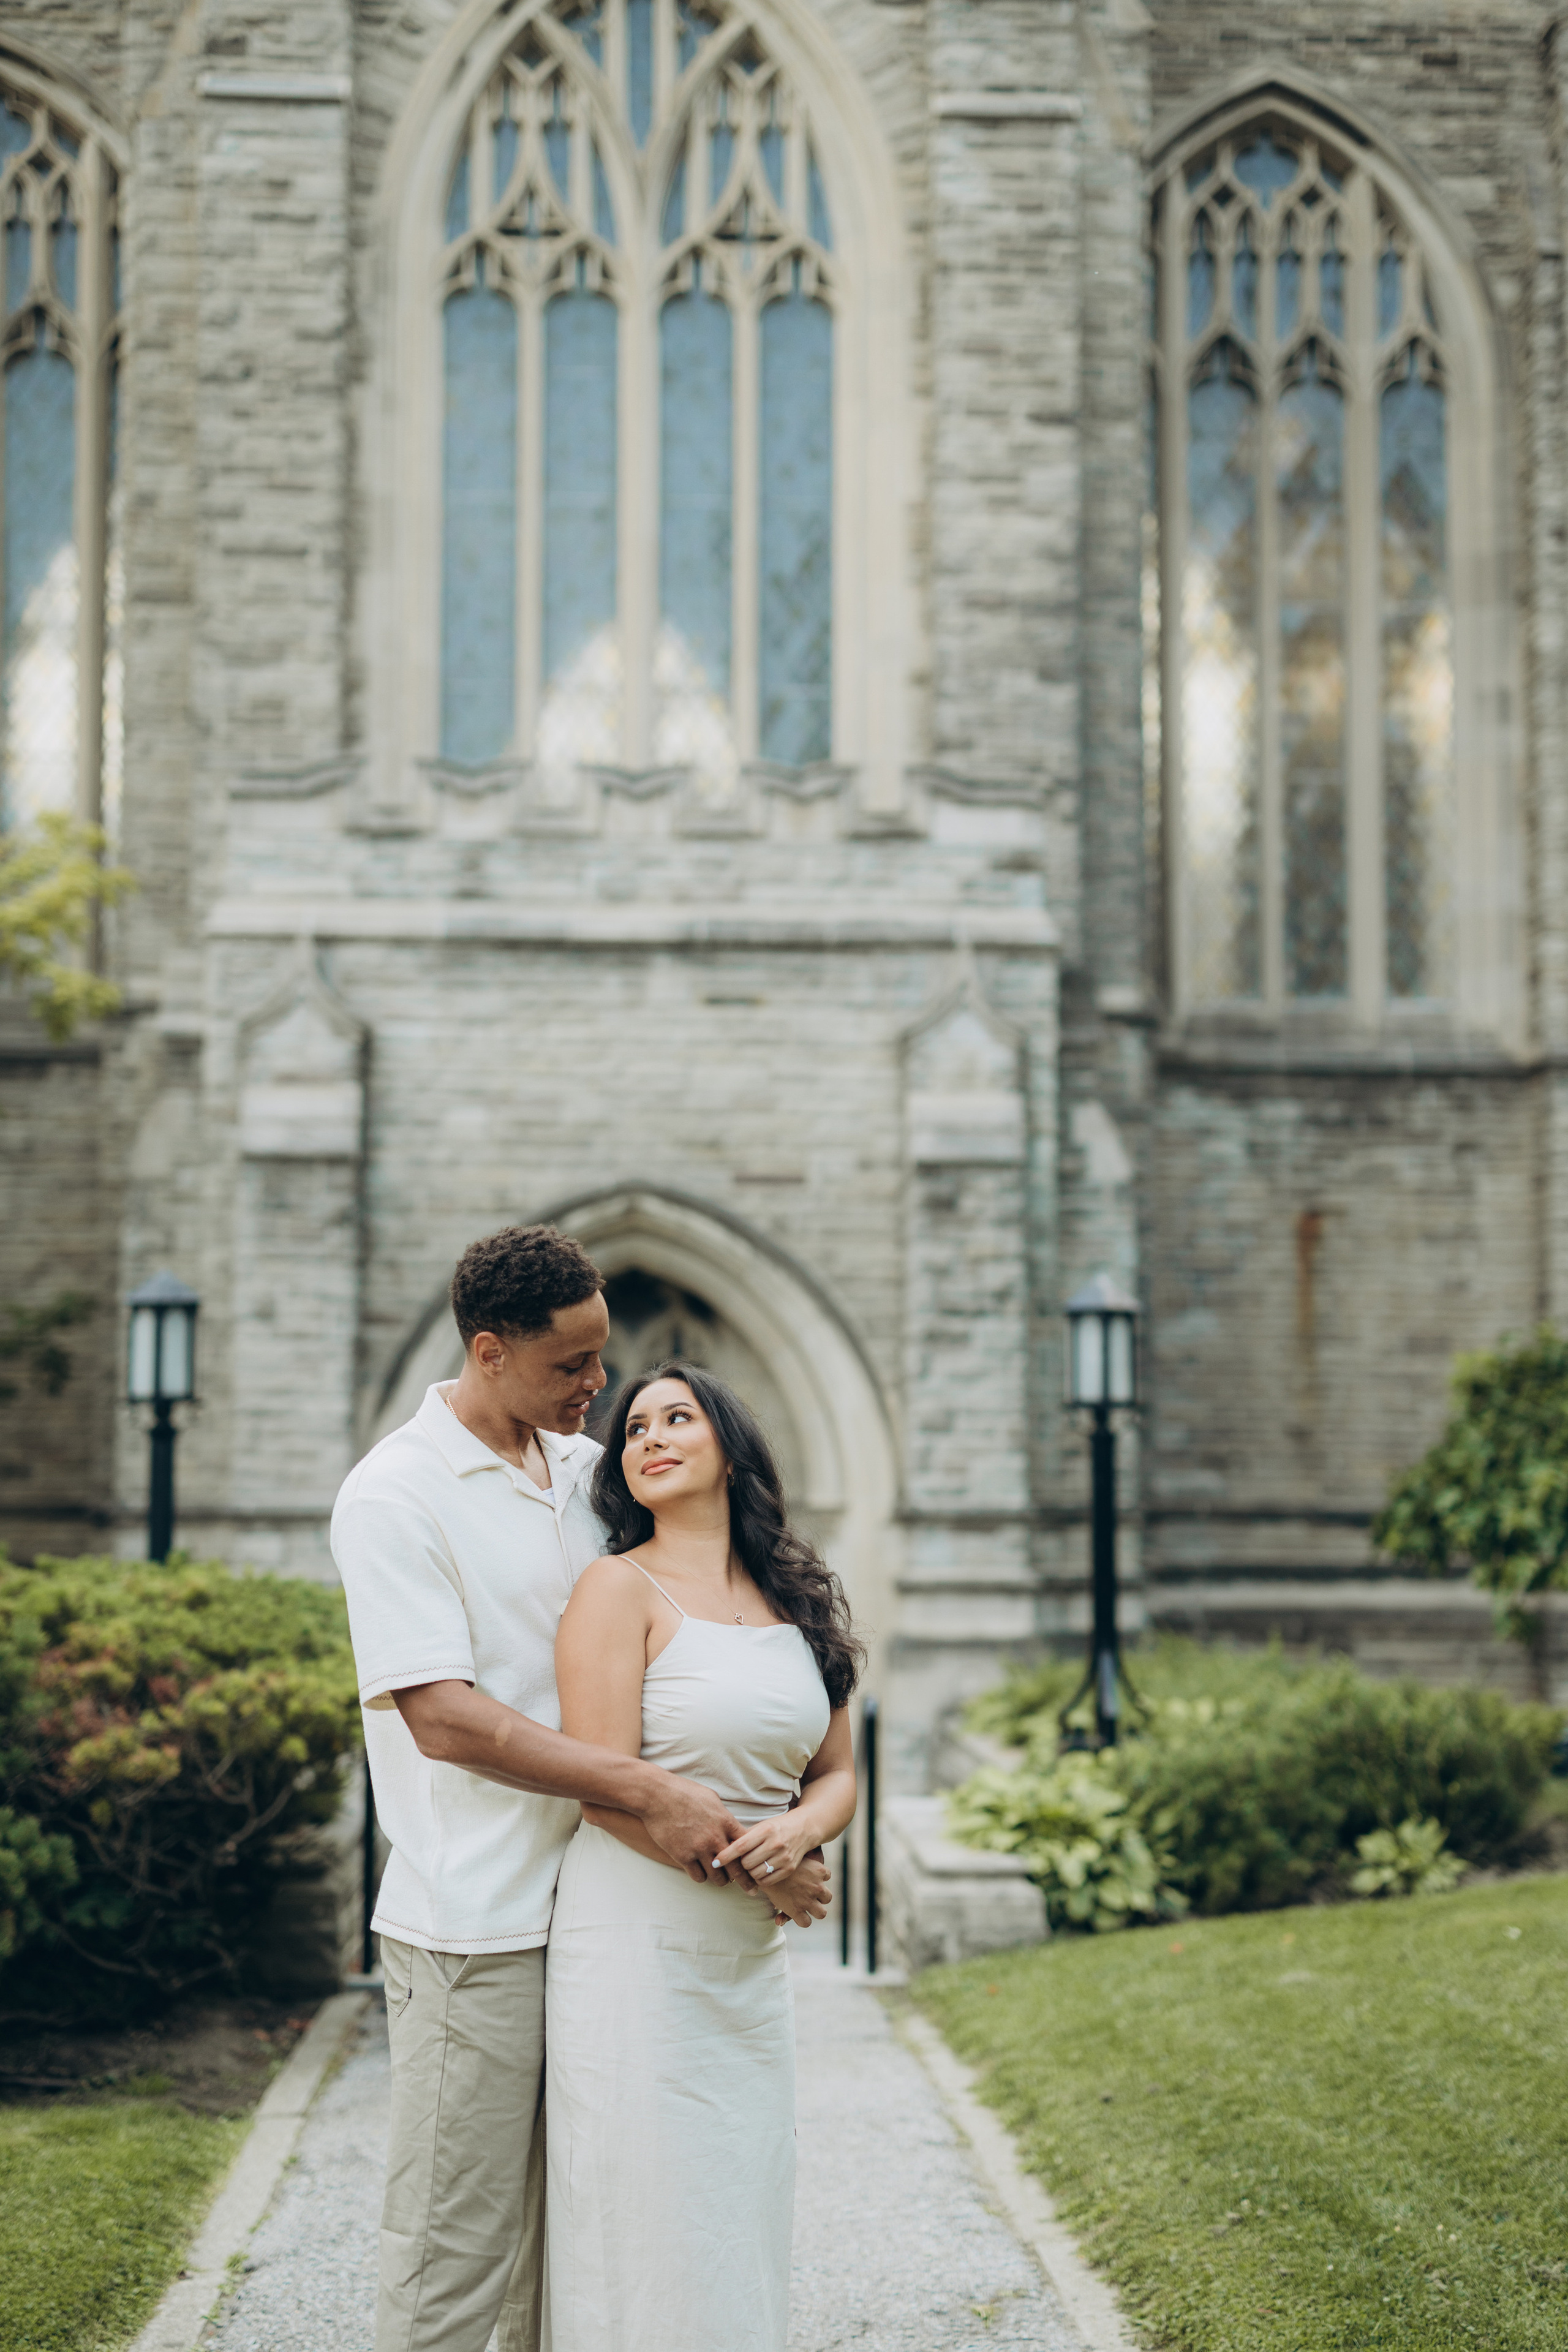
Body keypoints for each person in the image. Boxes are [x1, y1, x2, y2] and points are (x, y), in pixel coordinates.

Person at [331, 1228, 831, 2352]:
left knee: (567, 2262)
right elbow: (443, 1717)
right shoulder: (393, 1496)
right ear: (490, 1350)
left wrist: (766, 1831)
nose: (599, 1390)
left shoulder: (579, 1476)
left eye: (604, 1360)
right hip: (478, 1922)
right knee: (456, 2260)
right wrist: (656, 1796)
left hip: (600, 1918)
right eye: (572, 1368)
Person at [547, 1360, 864, 2352]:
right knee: (642, 2216)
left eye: (675, 1417)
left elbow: (838, 1775)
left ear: (730, 1447)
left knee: (737, 2209)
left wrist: (802, 1835)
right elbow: (601, 1788)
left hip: (748, 1963)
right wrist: (765, 1865)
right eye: (633, 1428)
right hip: (635, 1943)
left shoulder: (799, 1597)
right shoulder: (614, 1589)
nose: (648, 1437)